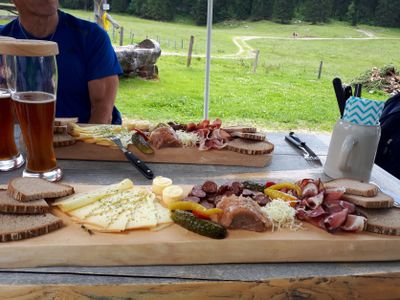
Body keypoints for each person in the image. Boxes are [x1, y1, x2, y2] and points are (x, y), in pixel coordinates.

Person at [0, 0, 122, 124]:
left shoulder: (91, 37)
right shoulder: (3, 41)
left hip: (82, 139)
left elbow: (102, 115)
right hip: (18, 140)